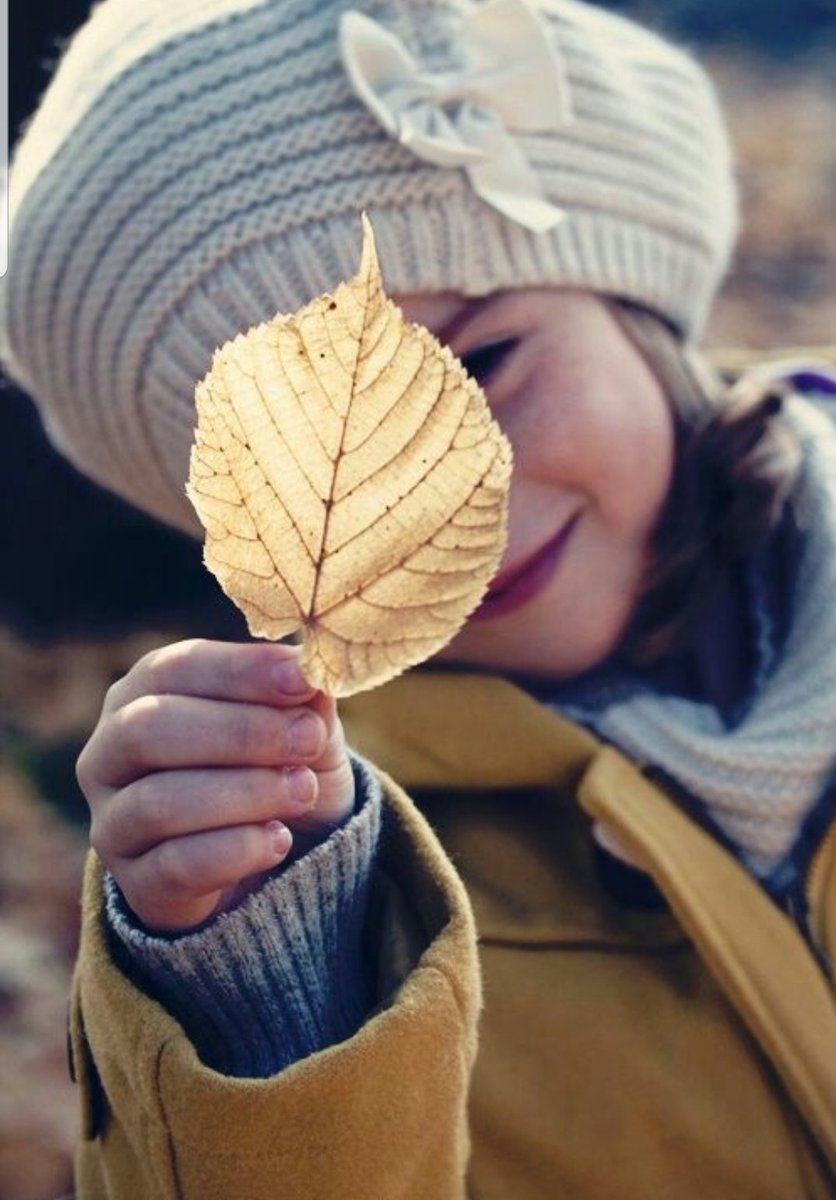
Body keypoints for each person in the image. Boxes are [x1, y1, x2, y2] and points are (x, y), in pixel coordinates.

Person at [3, 0, 836, 1195]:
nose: (438, 507)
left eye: (483, 363)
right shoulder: (332, 891)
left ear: (631, 293)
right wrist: (266, 990)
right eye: (300, 474)